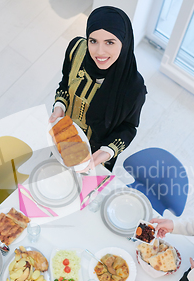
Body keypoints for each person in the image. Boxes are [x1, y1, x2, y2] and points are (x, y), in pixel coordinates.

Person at [49, 6, 147, 172]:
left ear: (124, 42)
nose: (99, 52)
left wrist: (105, 152)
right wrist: (60, 106)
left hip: (97, 155)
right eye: (93, 41)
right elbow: (65, 82)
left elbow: (129, 128)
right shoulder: (76, 50)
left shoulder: (133, 87)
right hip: (65, 138)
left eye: (109, 42)